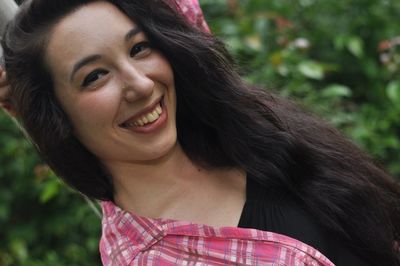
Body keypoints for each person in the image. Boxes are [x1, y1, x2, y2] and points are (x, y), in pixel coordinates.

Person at [1, 0, 399, 265]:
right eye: (95, 76)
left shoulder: (231, 128)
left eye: (139, 48)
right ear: (55, 115)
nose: (139, 84)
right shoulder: (149, 256)